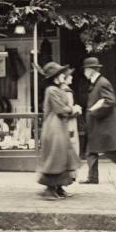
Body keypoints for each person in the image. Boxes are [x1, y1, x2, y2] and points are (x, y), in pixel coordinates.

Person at [80, 57, 116, 184]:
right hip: (98, 125)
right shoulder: (96, 83)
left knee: (110, 153)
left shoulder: (102, 83)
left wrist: (94, 112)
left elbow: (110, 101)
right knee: (92, 150)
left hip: (103, 126)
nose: (84, 72)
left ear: (91, 70)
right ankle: (93, 177)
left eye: (85, 70)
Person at [37, 62, 82, 200]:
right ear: (56, 77)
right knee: (55, 158)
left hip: (58, 127)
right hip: (53, 128)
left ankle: (59, 187)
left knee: (62, 157)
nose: (64, 75)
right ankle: (50, 189)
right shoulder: (51, 90)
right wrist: (73, 109)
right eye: (61, 73)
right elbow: (60, 109)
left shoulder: (57, 89)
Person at [62, 66, 80, 156]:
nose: (72, 77)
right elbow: (68, 110)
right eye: (70, 76)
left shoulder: (61, 89)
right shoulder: (67, 91)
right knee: (71, 143)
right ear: (65, 78)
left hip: (65, 122)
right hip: (69, 123)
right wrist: (76, 109)